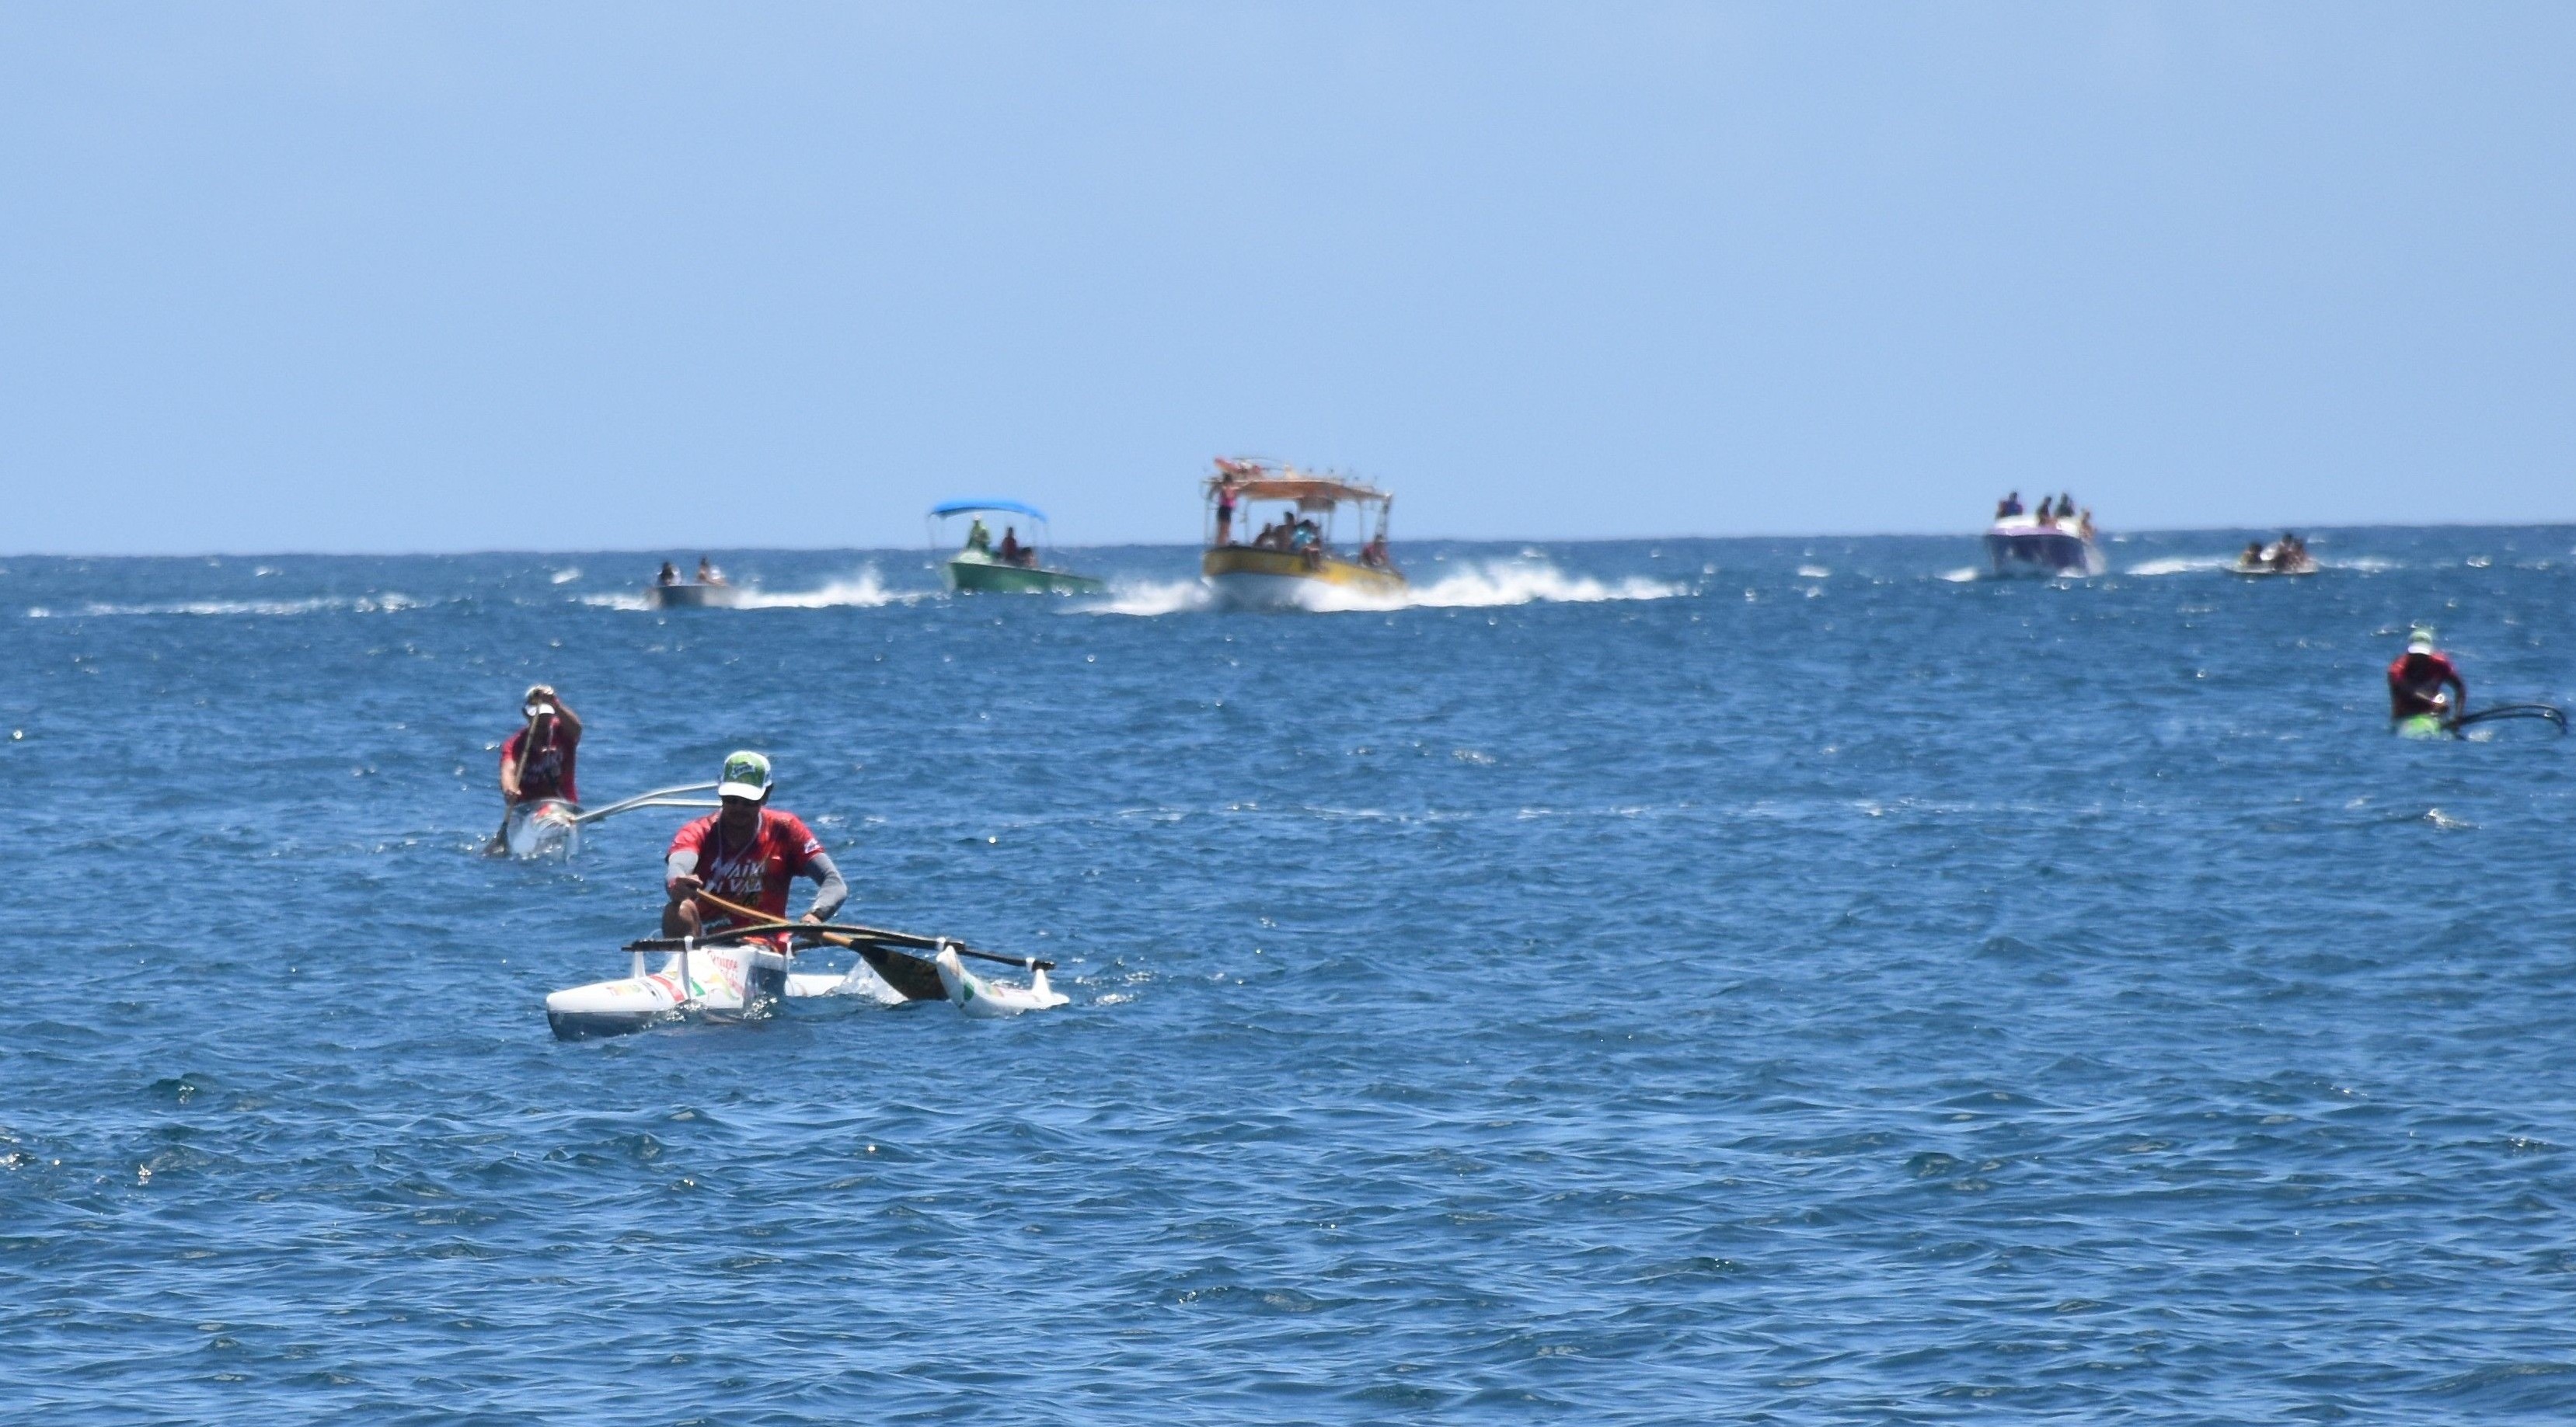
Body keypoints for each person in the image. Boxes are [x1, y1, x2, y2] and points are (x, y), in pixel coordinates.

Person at [662, 750, 848, 942]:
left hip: (763, 945)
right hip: (707, 943)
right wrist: (678, 882)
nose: (739, 808)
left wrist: (816, 916)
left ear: (766, 795)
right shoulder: (697, 831)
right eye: (731, 799)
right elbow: (678, 866)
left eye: (748, 802)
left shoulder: (785, 829)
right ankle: (683, 964)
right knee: (677, 910)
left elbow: (834, 882)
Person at [500, 685, 582, 806]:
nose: (542, 720)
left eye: (546, 715)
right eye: (537, 716)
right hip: (528, 809)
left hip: (563, 806)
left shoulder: (563, 732)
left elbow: (577, 729)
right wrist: (509, 789)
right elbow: (508, 771)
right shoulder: (514, 745)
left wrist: (556, 705)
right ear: (526, 714)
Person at [2387, 626, 2466, 725]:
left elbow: (2459, 687)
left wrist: (2457, 716)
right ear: (2409, 652)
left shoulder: (2441, 664)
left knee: (2441, 700)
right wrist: (2433, 701)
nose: (2419, 658)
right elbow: (2407, 691)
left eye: (2423, 655)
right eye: (2416, 654)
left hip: (2433, 713)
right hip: (2405, 716)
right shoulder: (2397, 668)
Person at [1215, 478, 1239, 546]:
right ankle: (1220, 544)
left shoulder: (1229, 489)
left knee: (1227, 529)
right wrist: (1235, 491)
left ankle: (1223, 543)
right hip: (1224, 510)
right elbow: (1229, 496)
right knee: (1223, 528)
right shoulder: (1225, 489)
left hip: (1228, 510)